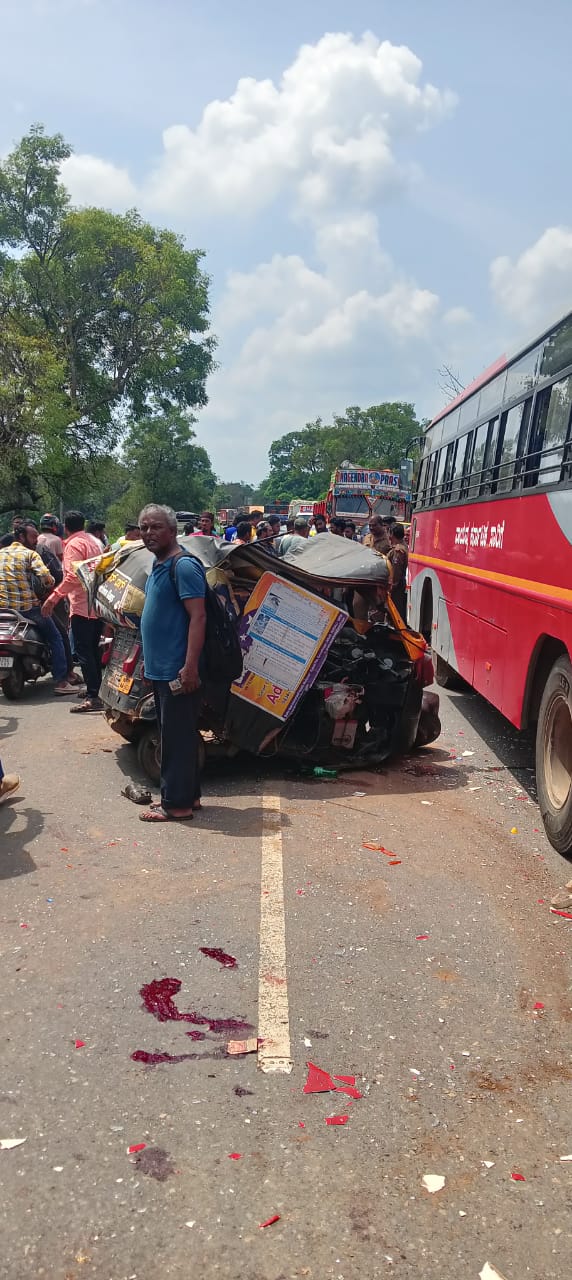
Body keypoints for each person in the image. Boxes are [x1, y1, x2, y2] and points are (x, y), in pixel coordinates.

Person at [137, 504, 207, 823]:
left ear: (173, 530)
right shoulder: (158, 565)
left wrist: (190, 666)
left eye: (155, 527)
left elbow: (198, 617)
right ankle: (188, 797)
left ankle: (176, 805)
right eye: (144, 527)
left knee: (176, 740)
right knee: (178, 736)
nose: (148, 533)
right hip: (161, 669)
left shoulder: (184, 566)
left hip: (178, 671)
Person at [41, 511, 104, 713]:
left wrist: (54, 597)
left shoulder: (74, 545)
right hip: (96, 603)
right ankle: (97, 690)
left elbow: (72, 577)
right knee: (93, 650)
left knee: (85, 651)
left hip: (82, 605)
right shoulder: (94, 542)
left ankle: (94, 697)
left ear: (65, 527)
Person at [0, 529, 76, 695]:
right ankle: (61, 681)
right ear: (21, 537)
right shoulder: (29, 555)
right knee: (56, 636)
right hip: (28, 610)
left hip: (3, 612)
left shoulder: (1, 554)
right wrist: (50, 584)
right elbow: (46, 577)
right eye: (33, 536)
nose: (36, 540)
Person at [387, 522, 408, 622]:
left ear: (391, 534)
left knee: (394, 616)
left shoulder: (398, 551)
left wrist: (390, 589)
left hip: (396, 589)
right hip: (398, 586)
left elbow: (395, 572)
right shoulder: (403, 547)